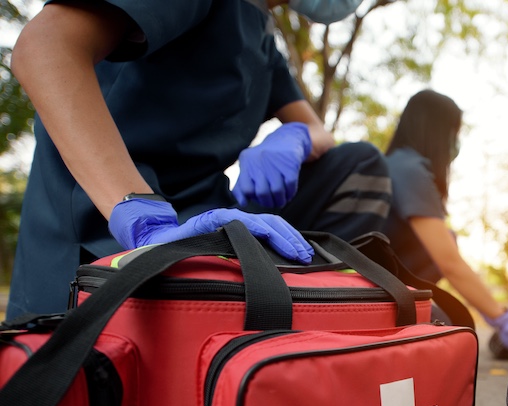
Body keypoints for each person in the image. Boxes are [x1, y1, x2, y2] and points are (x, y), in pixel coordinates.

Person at [7, 0, 390, 319]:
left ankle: (335, 305)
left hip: (205, 223)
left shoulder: (263, 43)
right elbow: (45, 48)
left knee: (357, 162)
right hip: (106, 231)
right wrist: (142, 217)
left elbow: (320, 131)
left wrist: (295, 138)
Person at [383, 90, 508, 357]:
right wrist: (501, 319)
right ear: (436, 130)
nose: (455, 143)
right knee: (454, 334)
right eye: (453, 133)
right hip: (387, 295)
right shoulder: (409, 170)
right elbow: (449, 261)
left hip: (388, 287)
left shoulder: (396, 164)